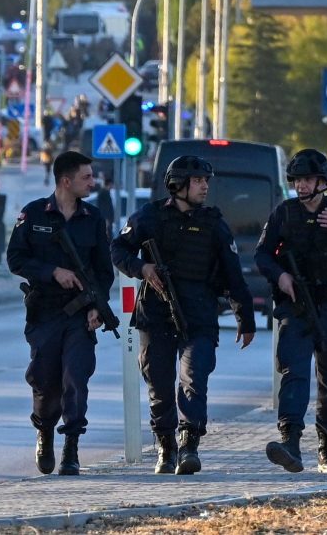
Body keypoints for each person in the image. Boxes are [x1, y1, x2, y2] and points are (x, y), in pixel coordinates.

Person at [111, 155, 256, 475]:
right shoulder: (148, 217)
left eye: (206, 181)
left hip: (200, 314)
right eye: (198, 181)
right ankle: (166, 447)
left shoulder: (213, 223)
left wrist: (245, 317)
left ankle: (189, 443)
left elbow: (233, 274)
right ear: (179, 185)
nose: (205, 186)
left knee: (194, 378)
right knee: (159, 384)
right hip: (156, 313)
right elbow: (118, 249)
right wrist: (142, 268)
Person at [254, 149, 327, 475]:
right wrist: (280, 275)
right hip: (296, 305)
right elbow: (262, 255)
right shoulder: (284, 213)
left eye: (307, 179)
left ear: (322, 182)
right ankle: (289, 442)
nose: (301, 186)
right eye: (296, 180)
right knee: (293, 369)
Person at [6, 150, 113, 476]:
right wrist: (52, 271)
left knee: (75, 377)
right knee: (45, 378)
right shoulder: (34, 214)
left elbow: (103, 270)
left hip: (80, 315)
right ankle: (44, 431)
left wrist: (97, 306)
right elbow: (15, 259)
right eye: (86, 177)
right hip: (45, 313)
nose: (92, 182)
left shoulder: (93, 218)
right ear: (66, 181)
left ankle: (71, 449)